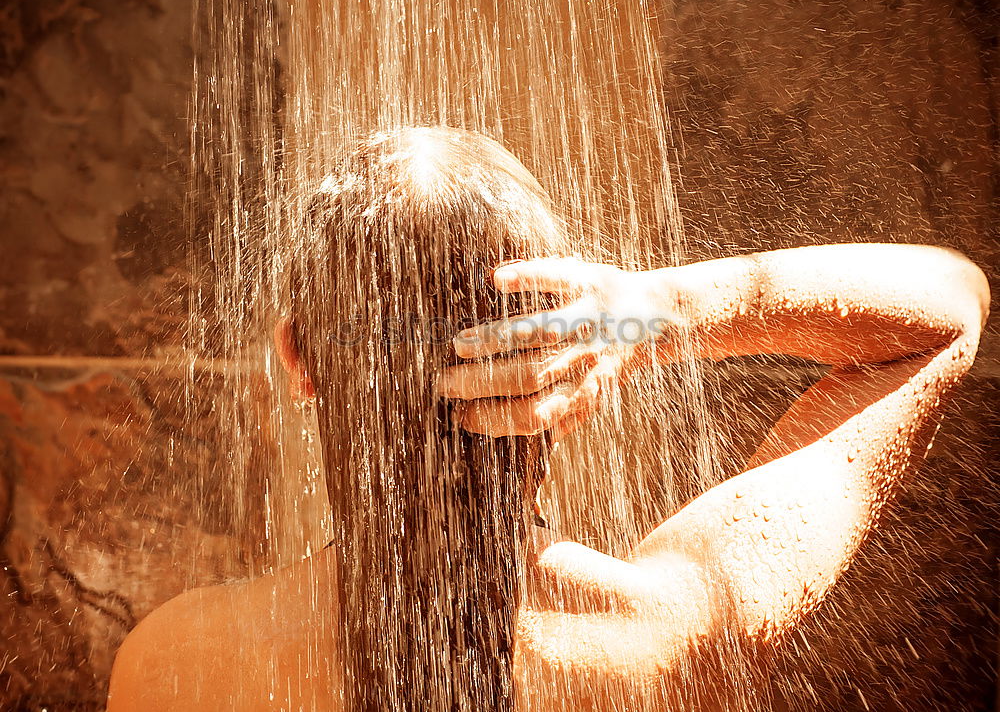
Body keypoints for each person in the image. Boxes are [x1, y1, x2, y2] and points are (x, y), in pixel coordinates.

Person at [106, 127, 989, 711]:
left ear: (296, 359)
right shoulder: (673, 636)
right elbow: (950, 307)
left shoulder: (171, 669)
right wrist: (653, 312)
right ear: (573, 363)